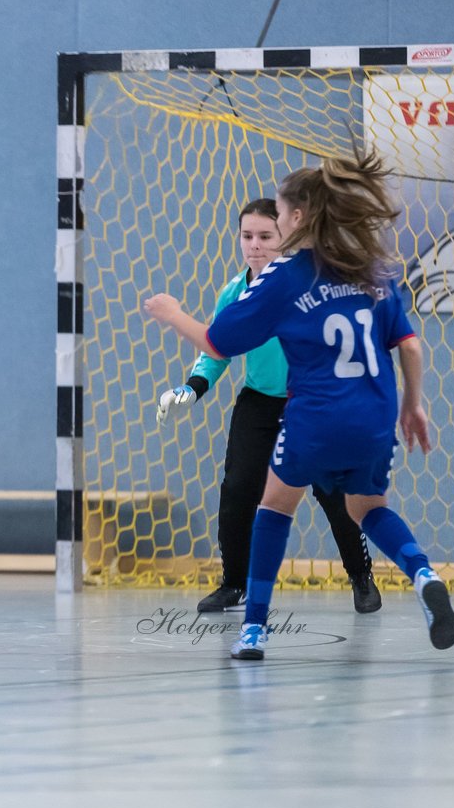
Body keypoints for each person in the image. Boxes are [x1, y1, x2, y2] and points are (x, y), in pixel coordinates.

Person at [143, 149, 454, 659]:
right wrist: (414, 406)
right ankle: (423, 573)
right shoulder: (374, 268)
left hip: (314, 416)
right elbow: (412, 345)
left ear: (296, 217)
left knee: (273, 507)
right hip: (377, 413)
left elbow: (216, 343)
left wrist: (173, 312)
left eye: (280, 217)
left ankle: (253, 631)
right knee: (369, 508)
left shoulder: (284, 277)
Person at [156, 199, 381, 615]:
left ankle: (361, 576)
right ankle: (233, 583)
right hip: (259, 403)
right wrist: (193, 387)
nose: (254, 245)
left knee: (333, 492)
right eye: (247, 237)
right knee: (238, 489)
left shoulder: (308, 287)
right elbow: (216, 348)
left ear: (286, 238)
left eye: (265, 236)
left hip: (312, 402)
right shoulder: (233, 292)